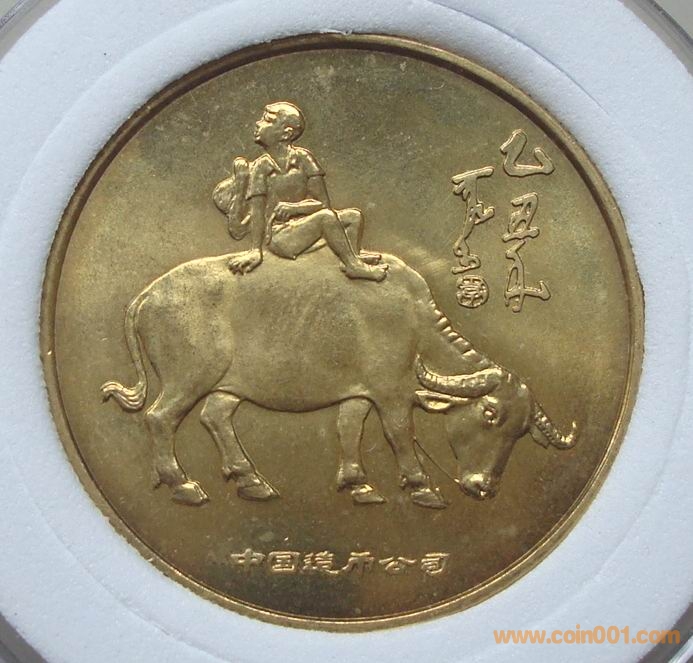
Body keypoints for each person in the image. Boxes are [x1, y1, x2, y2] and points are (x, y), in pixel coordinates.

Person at [220, 102, 387, 281]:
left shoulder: (303, 159)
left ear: (286, 134)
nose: (258, 124)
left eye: (267, 120)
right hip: (279, 236)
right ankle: (353, 265)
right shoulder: (261, 167)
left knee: (354, 216)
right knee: (326, 218)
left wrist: (295, 208)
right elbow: (257, 212)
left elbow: (323, 204)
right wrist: (255, 250)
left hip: (302, 225)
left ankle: (351, 257)